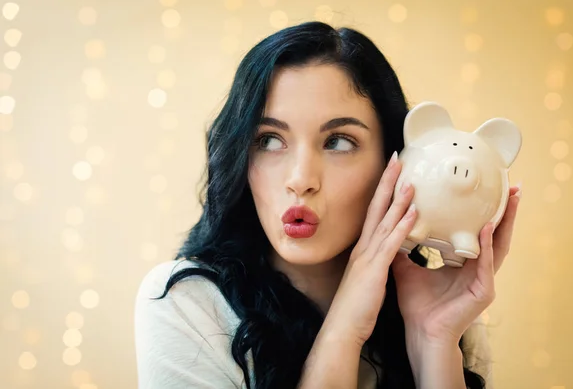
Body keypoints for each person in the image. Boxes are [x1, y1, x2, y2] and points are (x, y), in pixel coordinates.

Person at [134, 21, 521, 389]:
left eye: (338, 141)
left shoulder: (443, 308)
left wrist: (433, 338)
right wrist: (345, 327)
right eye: (269, 140)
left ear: (395, 163)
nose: (300, 179)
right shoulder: (186, 305)